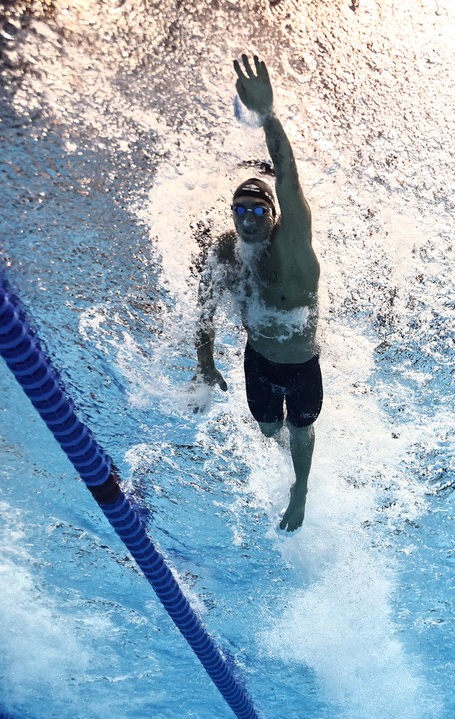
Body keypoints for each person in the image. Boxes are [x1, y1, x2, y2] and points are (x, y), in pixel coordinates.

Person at [195, 54, 322, 532]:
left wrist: (267, 117)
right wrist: (205, 362)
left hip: (302, 363)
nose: (247, 219)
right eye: (239, 211)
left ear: (273, 215)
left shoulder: (292, 246)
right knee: (268, 428)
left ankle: (301, 487)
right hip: (258, 361)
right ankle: (277, 467)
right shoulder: (226, 251)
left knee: (301, 428)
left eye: (256, 211)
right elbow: (204, 309)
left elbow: (288, 179)